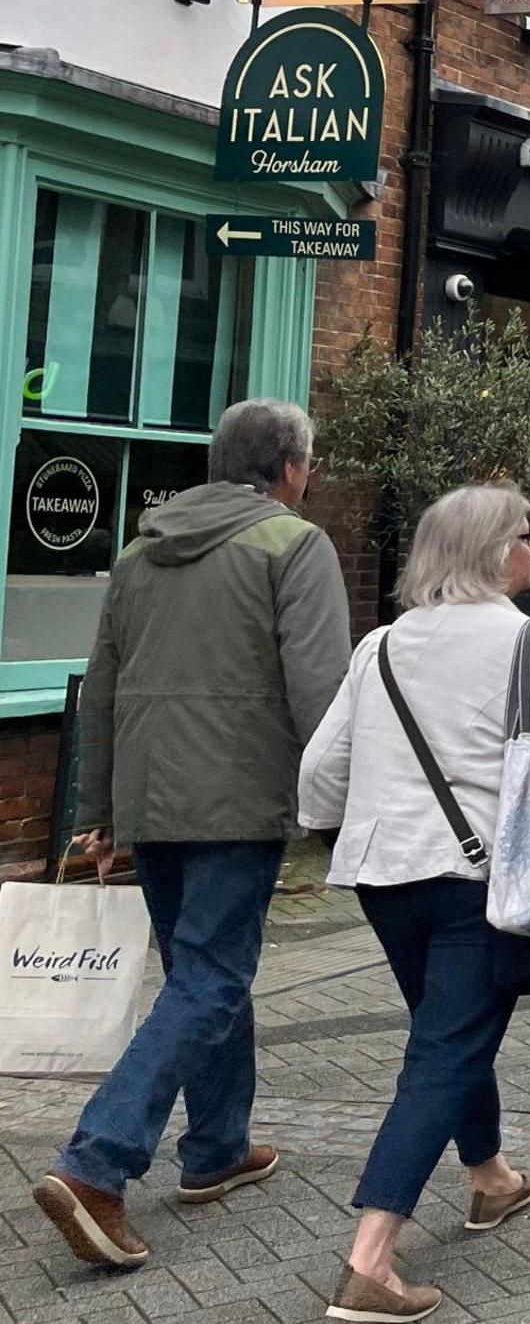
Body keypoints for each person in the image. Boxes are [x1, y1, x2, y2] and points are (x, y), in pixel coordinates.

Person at [33, 401, 349, 1271]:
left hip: (148, 794)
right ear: (289, 467)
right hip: (238, 797)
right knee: (213, 976)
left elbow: (100, 685)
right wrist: (345, 806)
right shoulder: (295, 545)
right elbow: (322, 689)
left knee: (202, 970)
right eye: (307, 466)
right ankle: (97, 1163)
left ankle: (216, 1146)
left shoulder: (138, 552)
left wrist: (94, 809)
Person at [298, 484, 530, 1323]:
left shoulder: (382, 647)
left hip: (381, 876)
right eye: (523, 535)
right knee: (442, 1052)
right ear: (489, 552)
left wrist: (362, 825)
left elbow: (318, 778)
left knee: (447, 1029)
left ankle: (490, 1178)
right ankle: (370, 1260)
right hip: (483, 883)